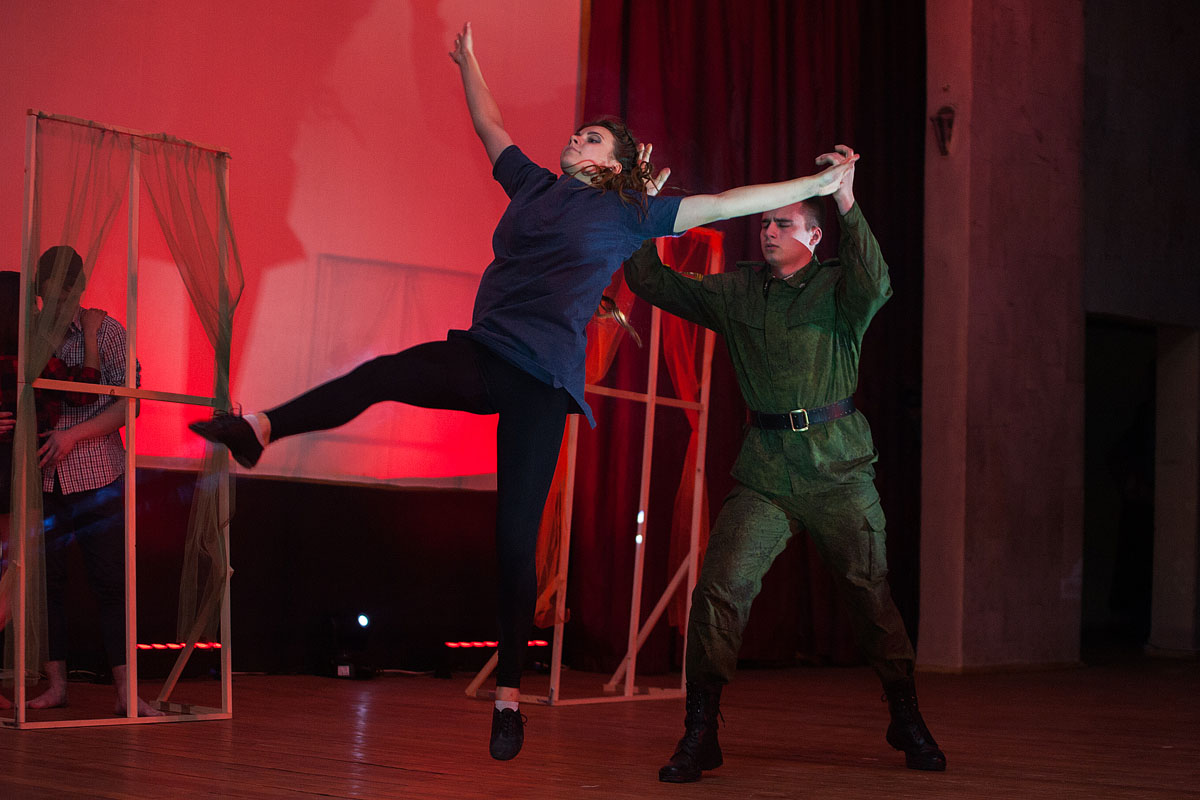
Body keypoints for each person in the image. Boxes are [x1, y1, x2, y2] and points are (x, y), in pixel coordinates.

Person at [188, 22, 855, 761]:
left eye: (592, 138)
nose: (576, 139)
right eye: (577, 133)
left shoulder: (631, 214)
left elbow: (727, 202)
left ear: (616, 163)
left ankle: (509, 698)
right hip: (484, 355)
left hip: (542, 383)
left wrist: (816, 186)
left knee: (513, 541)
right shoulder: (534, 185)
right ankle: (261, 429)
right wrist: (468, 61)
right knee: (381, 374)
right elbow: (490, 124)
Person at [624, 145, 946, 780]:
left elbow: (878, 281)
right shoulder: (738, 290)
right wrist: (639, 216)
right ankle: (700, 731)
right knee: (720, 590)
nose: (769, 231)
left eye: (783, 222)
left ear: (814, 235)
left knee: (870, 593)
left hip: (838, 469)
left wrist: (845, 196)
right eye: (765, 222)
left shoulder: (841, 288)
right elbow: (652, 282)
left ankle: (906, 715)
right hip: (766, 474)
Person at [21, 247, 160, 717]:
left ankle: (125, 691)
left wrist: (73, 436)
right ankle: (56, 685)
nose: (55, 307)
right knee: (47, 585)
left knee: (111, 582)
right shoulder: (32, 335)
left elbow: (128, 404)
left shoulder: (109, 331)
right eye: (47, 299)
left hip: (98, 473)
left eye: (63, 297)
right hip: (43, 477)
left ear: (79, 290)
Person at [0, 269, 103, 709]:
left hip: (10, 464)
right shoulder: (32, 354)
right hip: (12, 466)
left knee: (9, 573)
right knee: (12, 574)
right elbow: (85, 392)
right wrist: (93, 335)